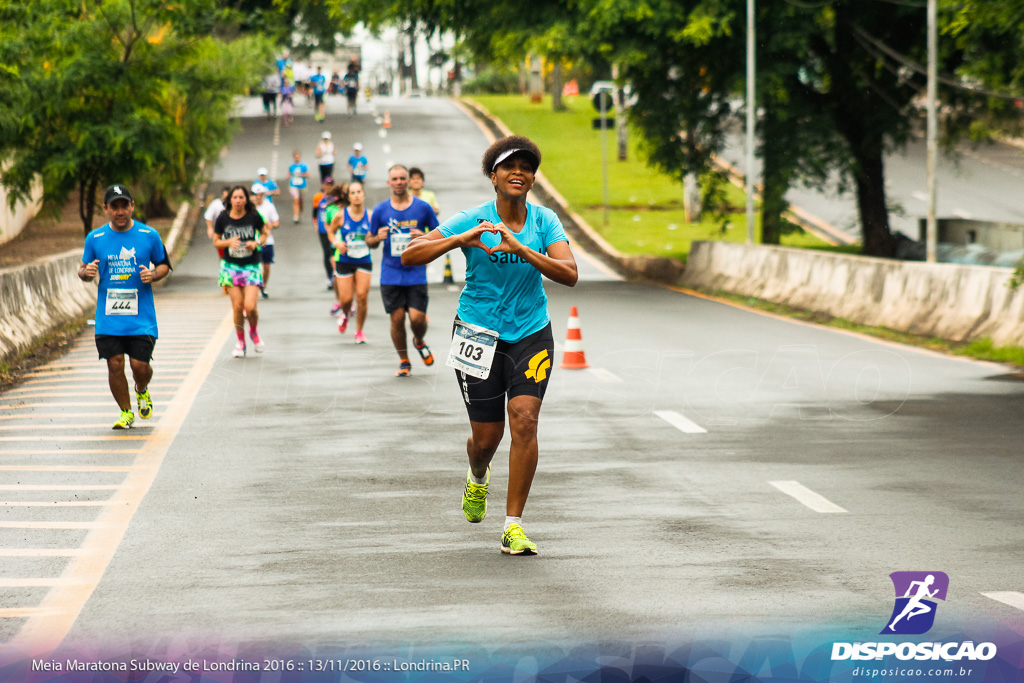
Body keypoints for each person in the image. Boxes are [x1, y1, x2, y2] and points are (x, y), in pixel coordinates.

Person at [402, 136, 578, 556]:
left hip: (531, 331)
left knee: (525, 419)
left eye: (527, 167)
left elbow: (569, 273)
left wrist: (520, 248)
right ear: (493, 175)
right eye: (509, 166)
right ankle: (478, 475)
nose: (519, 172)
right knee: (486, 438)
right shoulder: (472, 218)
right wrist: (460, 240)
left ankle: (513, 526)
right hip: (477, 333)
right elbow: (410, 254)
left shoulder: (544, 222)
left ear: (532, 178)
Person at [78, 185, 172, 430]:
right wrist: (86, 273)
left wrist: (153, 274)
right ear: (106, 209)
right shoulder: (95, 238)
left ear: (132, 206)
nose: (120, 211)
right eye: (114, 206)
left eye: (124, 205)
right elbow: (83, 268)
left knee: (139, 366)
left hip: (141, 317)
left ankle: (141, 389)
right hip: (109, 317)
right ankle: (126, 412)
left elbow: (163, 265)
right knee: (115, 363)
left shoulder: (149, 235)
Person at [366, 165, 439, 376]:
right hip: (390, 273)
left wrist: (422, 236)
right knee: (396, 318)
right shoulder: (380, 210)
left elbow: (440, 234)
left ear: (408, 181)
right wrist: (377, 237)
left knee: (417, 319)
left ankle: (419, 340)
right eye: (394, 179)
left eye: (402, 178)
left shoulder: (423, 208)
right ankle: (404, 361)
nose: (399, 182)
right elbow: (369, 241)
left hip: (415, 272)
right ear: (389, 183)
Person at [213, 185, 267, 358]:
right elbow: (216, 241)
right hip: (231, 267)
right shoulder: (223, 218)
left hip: (251, 266)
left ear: (246, 199)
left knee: (250, 307)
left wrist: (256, 242)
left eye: (241, 197)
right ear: (230, 200)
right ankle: (240, 342)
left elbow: (265, 233)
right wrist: (227, 243)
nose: (238, 201)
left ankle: (254, 332)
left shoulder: (253, 216)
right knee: (237, 306)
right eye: (235, 198)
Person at [327, 180, 372, 343]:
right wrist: (337, 243)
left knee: (362, 296)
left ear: (363, 194)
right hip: (345, 259)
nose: (356, 195)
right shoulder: (341, 215)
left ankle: (359, 331)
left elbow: (375, 235)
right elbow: (330, 233)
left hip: (364, 259)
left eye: (359, 192)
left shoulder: (371, 215)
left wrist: (374, 238)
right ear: (349, 197)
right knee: (345, 300)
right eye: (353, 193)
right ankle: (345, 314)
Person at [252, 183, 280, 299]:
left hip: (267, 241)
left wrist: (270, 225)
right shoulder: (249, 208)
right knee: (255, 266)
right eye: (256, 195)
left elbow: (277, 222)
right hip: (253, 241)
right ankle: (255, 286)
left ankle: (263, 286)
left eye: (260, 195)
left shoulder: (269, 206)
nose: (258, 197)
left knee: (266, 266)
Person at [314, 179, 342, 292]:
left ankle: (337, 275)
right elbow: (315, 211)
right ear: (323, 185)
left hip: (334, 230)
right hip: (323, 230)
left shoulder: (336, 198)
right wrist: (316, 224)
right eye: (326, 185)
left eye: (330, 185)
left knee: (334, 253)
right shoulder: (319, 198)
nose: (328, 187)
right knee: (326, 253)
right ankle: (330, 277)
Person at [288, 151, 309, 223]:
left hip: (302, 185)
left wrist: (300, 175)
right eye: (295, 157)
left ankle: (301, 213)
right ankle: (295, 216)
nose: (297, 159)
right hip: (293, 185)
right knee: (296, 200)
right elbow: (289, 174)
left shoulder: (303, 165)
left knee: (301, 201)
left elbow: (308, 175)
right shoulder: (291, 166)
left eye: (298, 157)